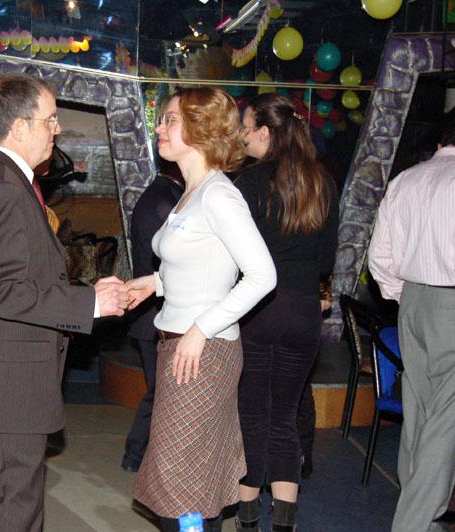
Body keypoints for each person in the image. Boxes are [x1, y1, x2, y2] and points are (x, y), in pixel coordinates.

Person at [0, 73, 129, 532]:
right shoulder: (4, 186)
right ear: (19, 127)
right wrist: (88, 304)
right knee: (12, 511)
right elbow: (1, 289)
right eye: (50, 120)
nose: (57, 129)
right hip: (9, 385)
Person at [127, 87, 277, 532]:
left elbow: (262, 275)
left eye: (171, 119)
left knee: (181, 485)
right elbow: (202, 265)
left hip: (202, 353)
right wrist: (153, 283)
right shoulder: (192, 192)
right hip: (178, 346)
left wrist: (201, 329)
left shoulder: (218, 195)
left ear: (201, 129)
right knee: (185, 482)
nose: (160, 127)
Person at [368, 119, 455, 532]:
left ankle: (424, 521)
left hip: (412, 304)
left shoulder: (405, 180)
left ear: (439, 145)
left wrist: (408, 297)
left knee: (418, 417)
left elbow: (380, 256)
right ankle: (413, 525)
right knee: (448, 426)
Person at [233, 93, 338, 532]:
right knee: (286, 417)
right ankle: (284, 523)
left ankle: (247, 517)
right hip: (303, 312)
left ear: (264, 132)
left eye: (245, 127)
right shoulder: (322, 181)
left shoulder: (247, 182)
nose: (241, 135)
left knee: (252, 414)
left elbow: (234, 256)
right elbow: (326, 258)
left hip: (258, 308)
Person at [120, 155, 183, 473]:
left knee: (160, 393)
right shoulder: (164, 200)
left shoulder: (160, 195)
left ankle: (139, 456)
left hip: (151, 314)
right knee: (159, 394)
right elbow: (169, 263)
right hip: (153, 314)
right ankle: (135, 456)